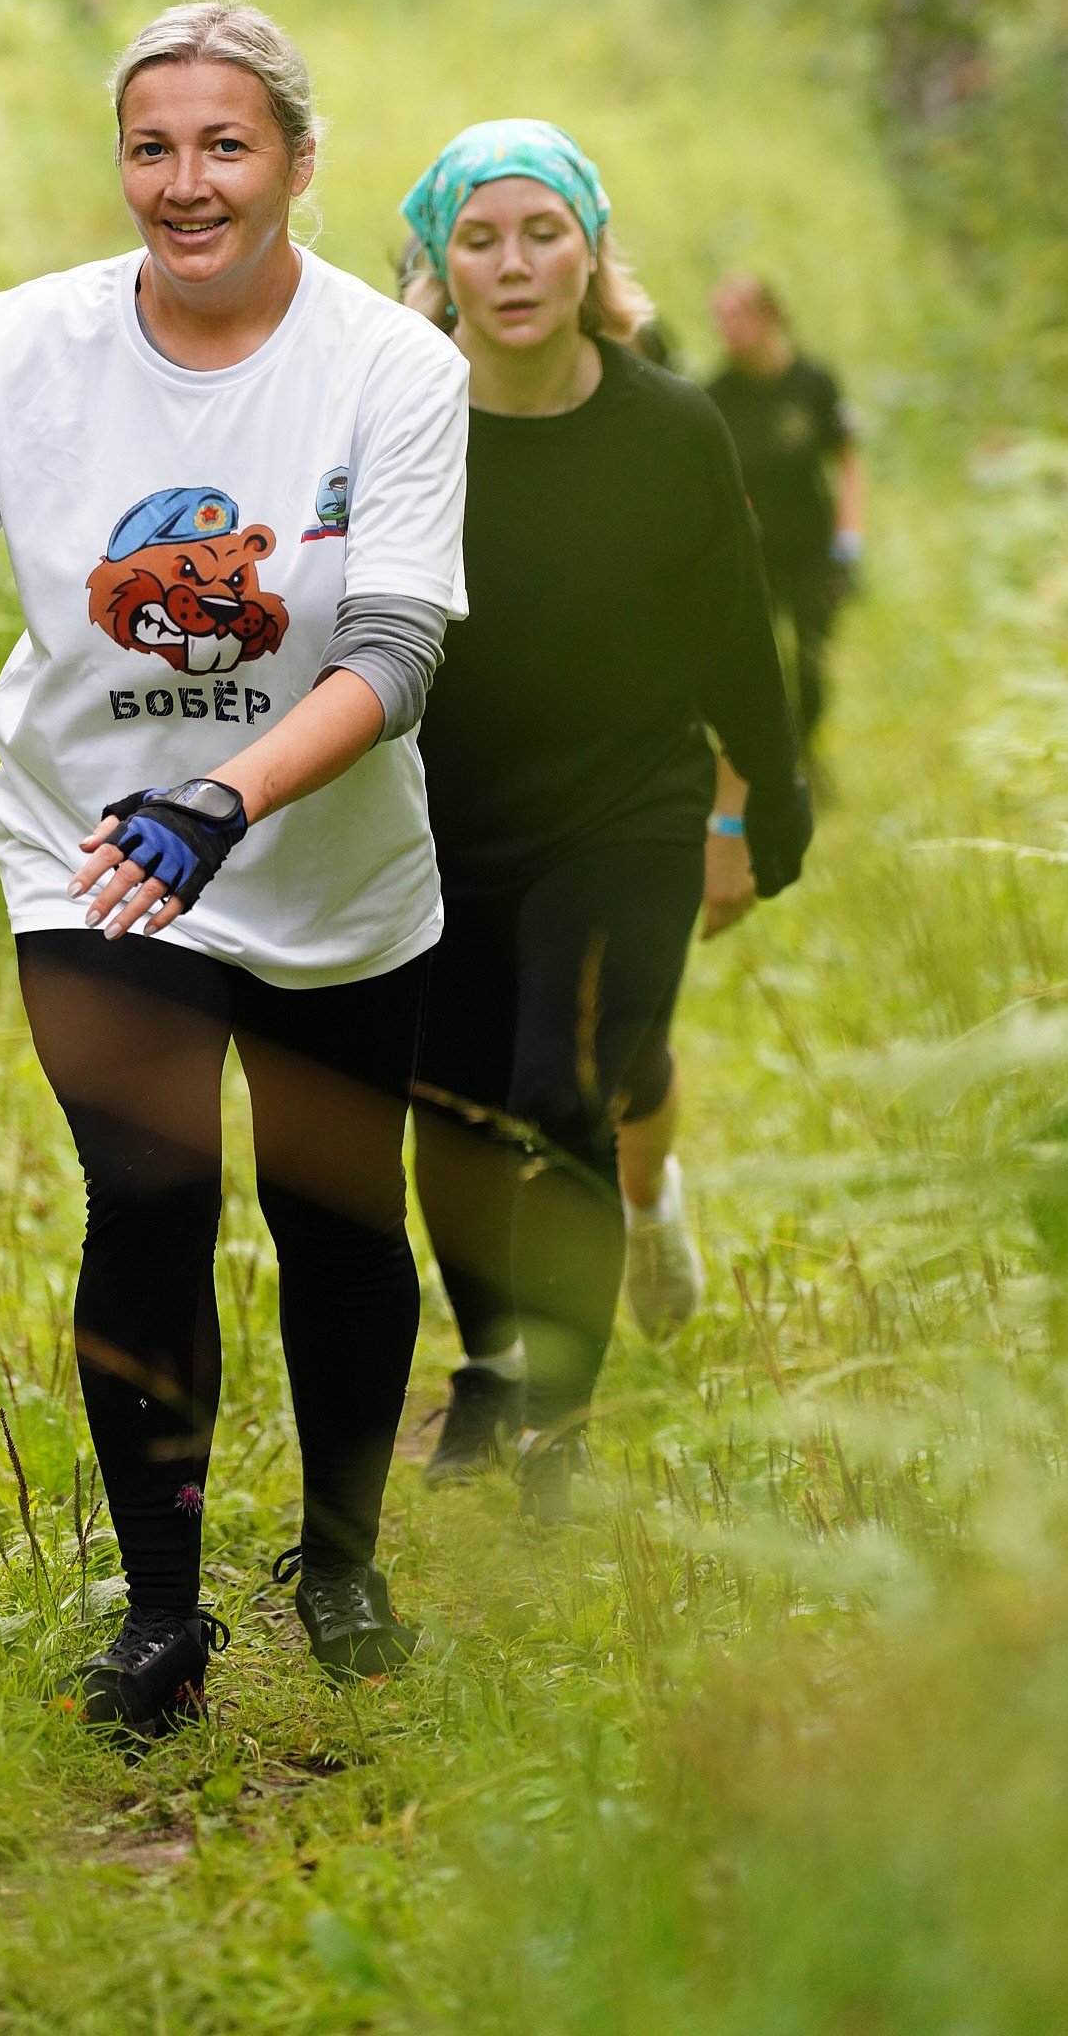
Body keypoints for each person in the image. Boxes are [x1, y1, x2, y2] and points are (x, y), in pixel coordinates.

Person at [0, 0, 469, 1732]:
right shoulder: (32, 344)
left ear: (299, 164)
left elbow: (391, 660)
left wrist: (224, 798)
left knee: (337, 1218)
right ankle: (163, 1619)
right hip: (94, 859)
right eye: (153, 146)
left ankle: (342, 1555)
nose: (186, 181)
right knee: (148, 1199)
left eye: (227, 145)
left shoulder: (394, 366)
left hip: (328, 875)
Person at [397, 122, 812, 1522]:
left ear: (591, 248)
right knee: (454, 1105)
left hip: (627, 807)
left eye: (544, 233)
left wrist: (764, 799)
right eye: (481, 239)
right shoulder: (402, 425)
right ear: (443, 265)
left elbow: (735, 638)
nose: (514, 266)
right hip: (445, 814)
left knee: (565, 1083)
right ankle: (495, 1363)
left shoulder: (670, 428)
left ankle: (559, 1433)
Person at [705, 274, 865, 751]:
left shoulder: (814, 383)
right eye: (720, 318)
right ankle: (774, 759)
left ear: (771, 316)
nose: (728, 328)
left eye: (738, 315)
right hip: (752, 554)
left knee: (813, 662)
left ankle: (809, 752)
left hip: (813, 547)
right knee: (761, 664)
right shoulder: (715, 394)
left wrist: (849, 541)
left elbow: (849, 463)